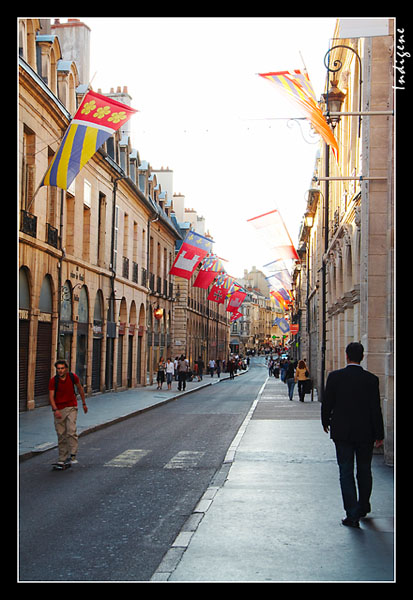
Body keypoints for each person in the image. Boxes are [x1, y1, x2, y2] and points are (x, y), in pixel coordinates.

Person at [321, 342, 384, 528]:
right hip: (365, 433)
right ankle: (363, 506)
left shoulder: (335, 377)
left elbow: (327, 403)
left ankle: (352, 513)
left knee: (345, 472)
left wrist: (325, 422)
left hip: (342, 432)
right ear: (362, 357)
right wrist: (379, 433)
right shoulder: (371, 380)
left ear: (346, 356)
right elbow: (375, 409)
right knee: (364, 470)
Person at [48, 359, 87, 466]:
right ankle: (62, 457)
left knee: (71, 430)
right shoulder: (53, 381)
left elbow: (80, 389)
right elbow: (51, 396)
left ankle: (73, 454)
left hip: (71, 407)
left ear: (66, 369)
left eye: (62, 368)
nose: (60, 370)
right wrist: (55, 410)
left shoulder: (72, 377)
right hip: (59, 409)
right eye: (58, 368)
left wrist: (84, 403)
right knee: (61, 434)